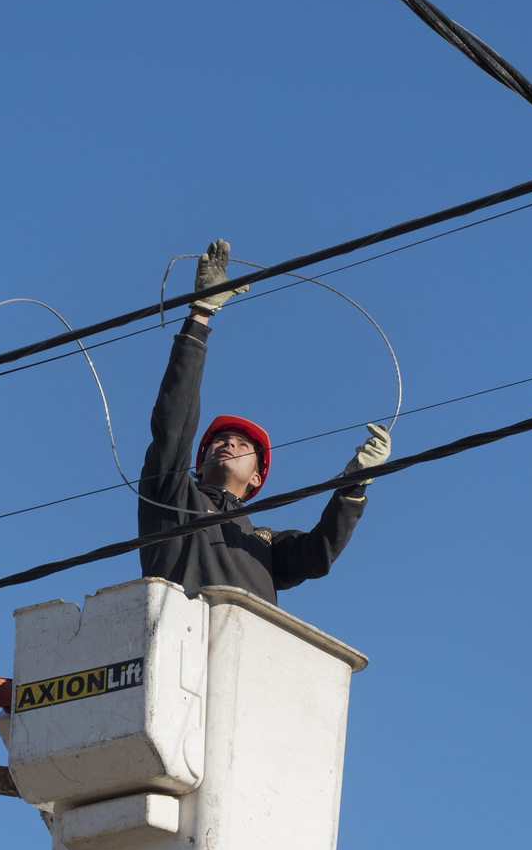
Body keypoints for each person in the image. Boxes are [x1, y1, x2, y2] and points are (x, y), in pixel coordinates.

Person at [138, 239, 390, 606]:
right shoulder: (173, 498)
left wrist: (353, 487)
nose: (229, 444)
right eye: (220, 441)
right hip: (177, 648)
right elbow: (174, 421)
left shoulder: (265, 544)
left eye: (243, 445)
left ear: (257, 478)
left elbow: (318, 554)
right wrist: (200, 314)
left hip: (245, 658)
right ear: (199, 463)